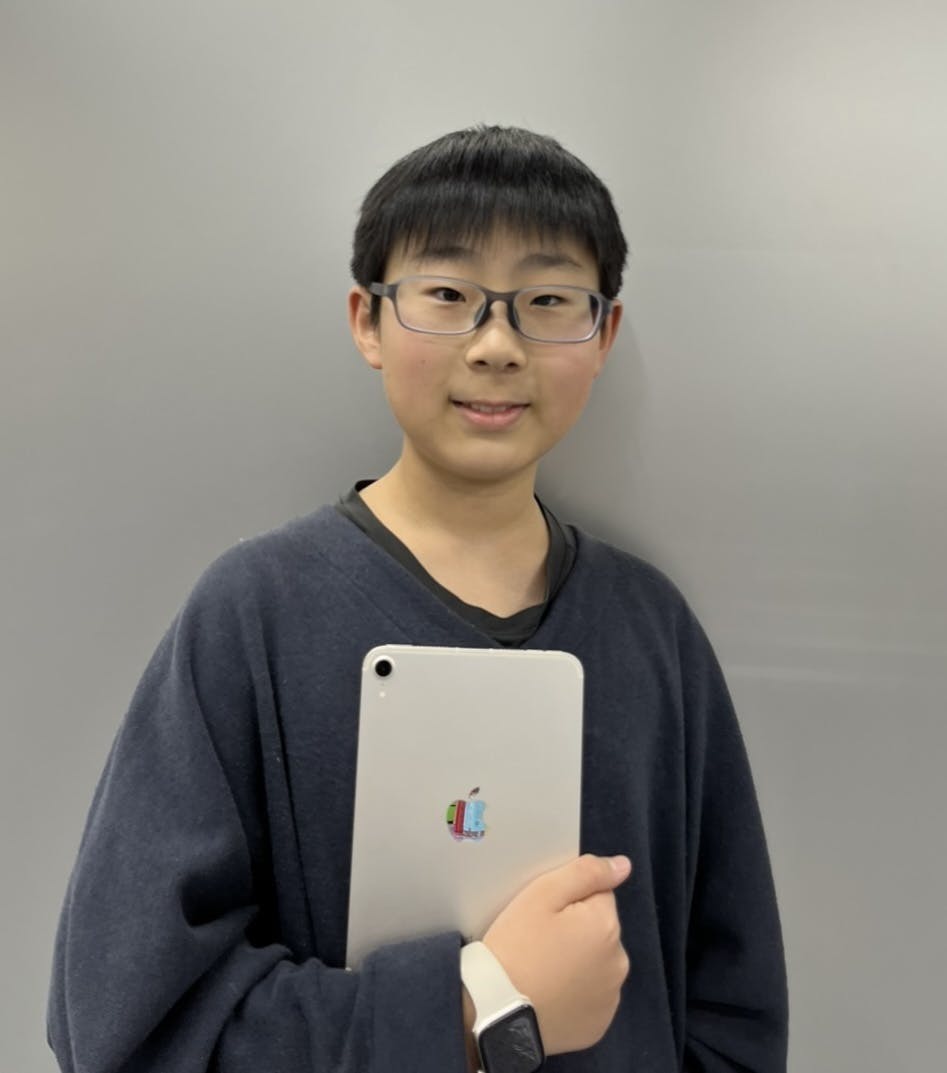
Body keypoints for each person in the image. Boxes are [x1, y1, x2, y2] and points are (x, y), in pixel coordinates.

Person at [48, 125, 788, 1073]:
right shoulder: (254, 613)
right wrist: (480, 1006)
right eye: (446, 295)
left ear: (601, 333)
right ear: (368, 319)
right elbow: (128, 1021)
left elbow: (733, 1005)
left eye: (548, 301)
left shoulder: (653, 631)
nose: (496, 345)